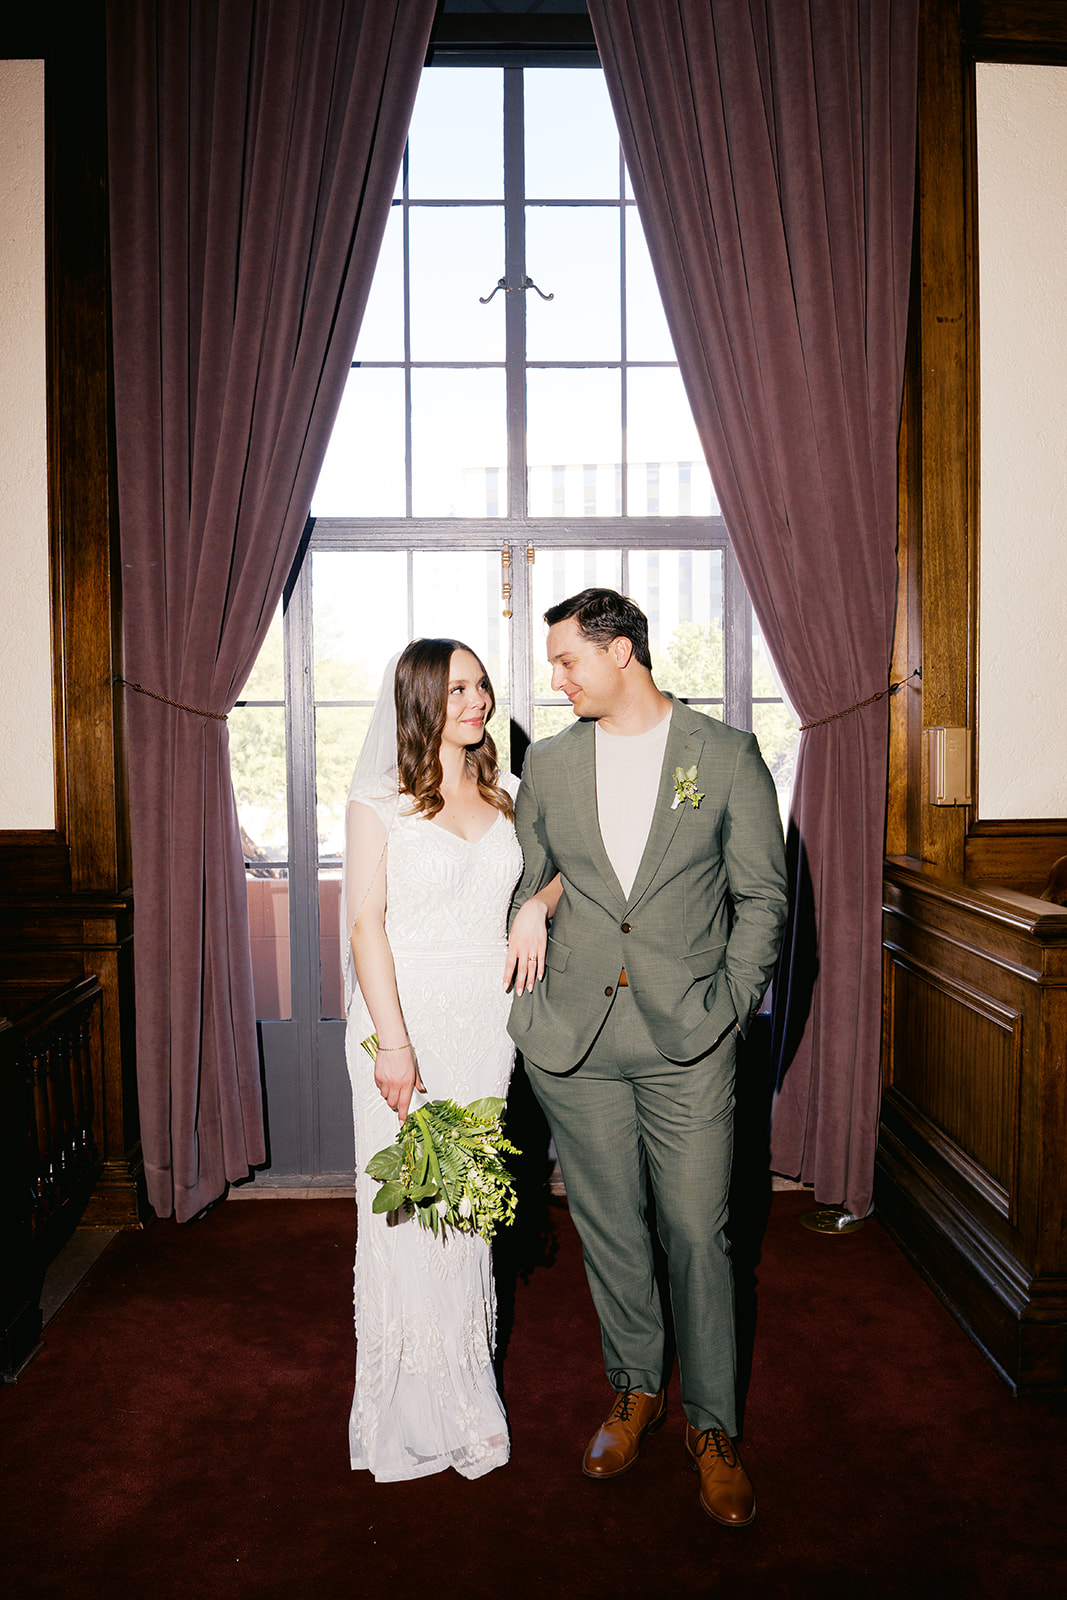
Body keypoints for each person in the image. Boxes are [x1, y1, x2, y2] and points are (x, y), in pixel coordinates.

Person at [505, 589, 787, 1527]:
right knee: (610, 1228)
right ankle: (632, 1390)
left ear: (620, 651)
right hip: (574, 1039)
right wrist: (525, 906)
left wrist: (726, 1007)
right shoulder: (547, 762)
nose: (555, 679)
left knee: (696, 1232)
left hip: (687, 1041)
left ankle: (712, 1426)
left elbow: (762, 900)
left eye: (566, 661)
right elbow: (535, 874)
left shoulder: (724, 756)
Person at [341, 637, 555, 1482]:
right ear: (423, 698)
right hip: (406, 1021)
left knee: (463, 1215)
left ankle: (465, 1396)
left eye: (482, 685)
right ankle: (402, 1410)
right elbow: (365, 927)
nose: (477, 699)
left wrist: (532, 909)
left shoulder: (507, 797)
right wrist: (394, 1044)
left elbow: (567, 869)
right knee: (405, 1214)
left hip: (482, 1029)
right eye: (458, 687)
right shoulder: (377, 802)